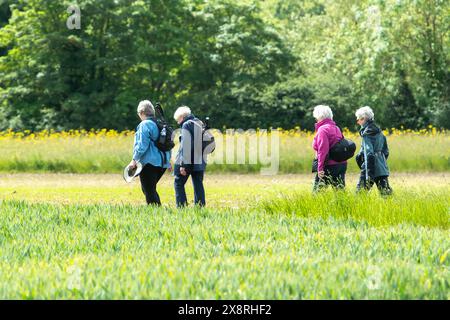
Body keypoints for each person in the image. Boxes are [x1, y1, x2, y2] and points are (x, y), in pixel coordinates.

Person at [128, 100, 171, 206]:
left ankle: (157, 214)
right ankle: (157, 211)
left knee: (149, 190)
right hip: (162, 163)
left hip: (149, 162)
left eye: (139, 114)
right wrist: (168, 162)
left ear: (142, 112)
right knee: (149, 189)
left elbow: (142, 145)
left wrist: (134, 160)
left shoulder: (145, 124)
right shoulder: (160, 123)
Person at [173, 106, 206, 207]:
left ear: (182, 117)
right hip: (200, 160)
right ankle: (200, 207)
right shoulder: (199, 123)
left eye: (178, 120)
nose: (178, 123)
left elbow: (185, 145)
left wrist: (183, 164)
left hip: (188, 161)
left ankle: (181, 208)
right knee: (198, 184)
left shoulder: (186, 125)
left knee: (178, 183)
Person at [355, 106, 393, 195]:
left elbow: (369, 154)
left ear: (363, 119)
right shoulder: (380, 133)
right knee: (386, 194)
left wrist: (368, 173)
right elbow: (386, 152)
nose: (357, 122)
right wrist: (380, 161)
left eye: (358, 120)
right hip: (381, 167)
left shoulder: (366, 134)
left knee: (360, 194)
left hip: (369, 167)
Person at [312, 105, 348, 191]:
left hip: (329, 165)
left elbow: (323, 151)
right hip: (341, 164)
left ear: (319, 116)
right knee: (340, 193)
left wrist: (320, 168)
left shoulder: (322, 130)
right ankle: (344, 205)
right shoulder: (336, 128)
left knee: (317, 194)